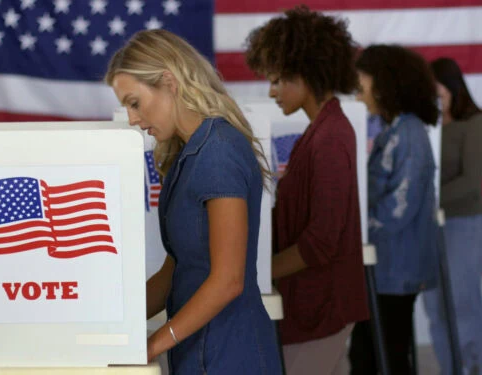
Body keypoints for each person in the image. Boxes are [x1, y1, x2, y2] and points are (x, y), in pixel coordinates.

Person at [105, 29, 282, 374]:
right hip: (198, 352)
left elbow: (228, 279)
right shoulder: (189, 153)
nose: (132, 119)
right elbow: (175, 270)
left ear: (169, 82)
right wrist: (111, 321)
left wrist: (154, 343)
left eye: (134, 102)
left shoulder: (218, 152)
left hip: (232, 354)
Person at [244, 6, 369, 375]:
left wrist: (256, 277)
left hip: (324, 304)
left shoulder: (329, 138)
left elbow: (321, 241)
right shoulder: (321, 131)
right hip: (316, 302)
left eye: (278, 79)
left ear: (307, 74)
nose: (271, 91)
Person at [349, 45, 440, 375]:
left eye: (363, 82)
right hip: (384, 267)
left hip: (396, 268)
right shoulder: (393, 130)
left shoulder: (410, 133)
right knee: (370, 353)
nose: (358, 90)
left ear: (386, 84)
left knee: (385, 356)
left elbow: (400, 206)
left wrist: (355, 231)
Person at [422, 57, 482, 375]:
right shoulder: (425, 125)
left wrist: (423, 202)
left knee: (464, 305)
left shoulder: (475, 124)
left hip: (464, 224)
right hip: (429, 227)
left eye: (436, 86)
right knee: (435, 308)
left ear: (451, 86)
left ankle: (476, 369)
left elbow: (470, 182)